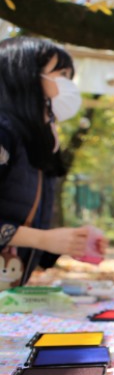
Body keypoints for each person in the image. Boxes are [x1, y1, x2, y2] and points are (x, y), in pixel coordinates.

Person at [0, 37, 106, 288]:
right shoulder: (3, 133)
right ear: (24, 76)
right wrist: (42, 239)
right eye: (61, 74)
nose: (68, 85)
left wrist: (68, 242)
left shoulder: (35, 141)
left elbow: (25, 225)